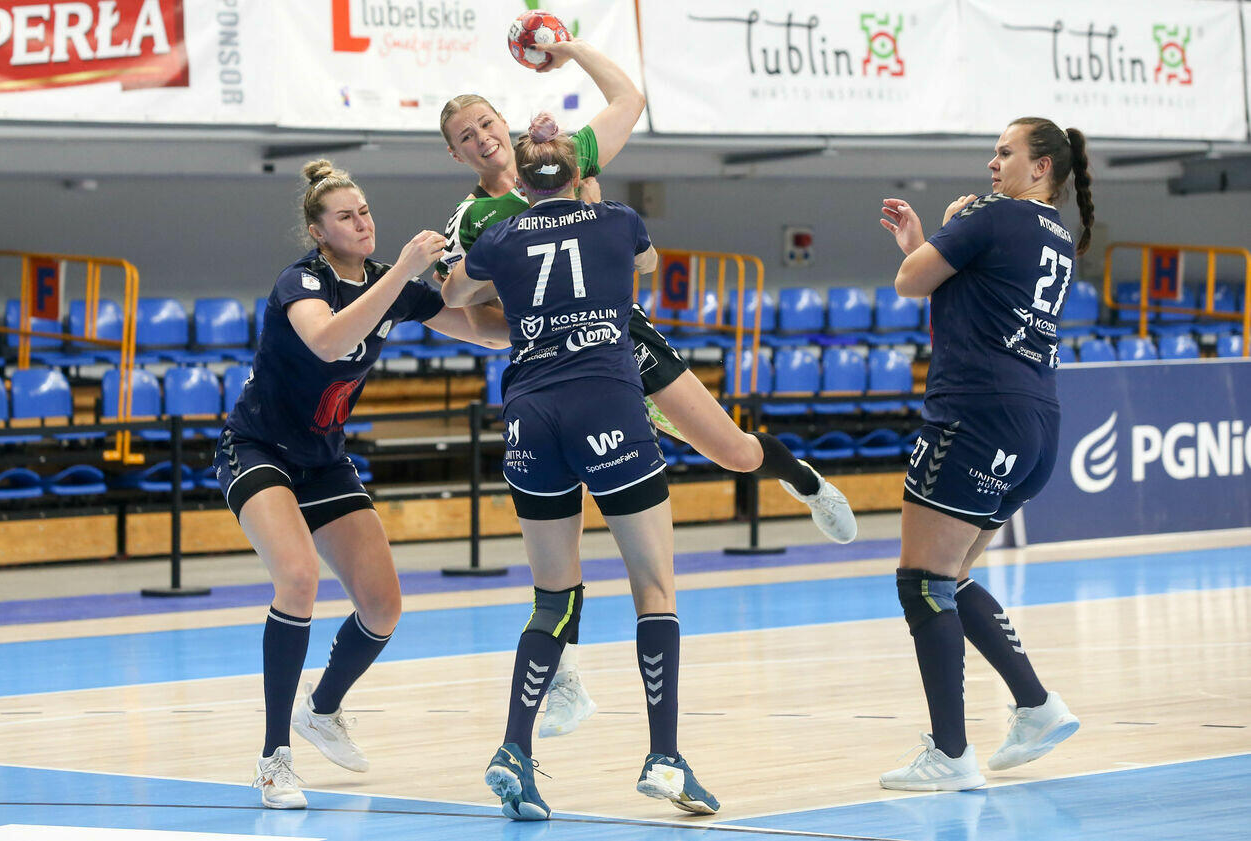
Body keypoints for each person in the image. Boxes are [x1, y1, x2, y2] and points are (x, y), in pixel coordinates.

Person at [437, 36, 857, 741]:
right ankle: (565, 678)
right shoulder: (473, 223)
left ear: (503, 124)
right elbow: (464, 312)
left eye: (484, 123)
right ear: (456, 156)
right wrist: (522, 334)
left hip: (623, 339)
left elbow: (629, 98)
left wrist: (569, 48)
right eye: (464, 137)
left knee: (734, 452)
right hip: (554, 367)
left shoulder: (563, 156)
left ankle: (805, 480)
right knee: (560, 537)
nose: (481, 139)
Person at [442, 113, 719, 821]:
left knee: (553, 597)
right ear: (578, 173)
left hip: (531, 412)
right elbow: (646, 266)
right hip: (605, 401)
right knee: (653, 587)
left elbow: (455, 297)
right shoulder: (617, 220)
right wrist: (589, 201)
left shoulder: (500, 235)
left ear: (524, 181)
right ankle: (664, 757)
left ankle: (514, 747)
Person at [218, 160, 509, 809]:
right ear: (319, 232)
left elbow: (483, 330)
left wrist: (547, 309)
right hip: (258, 447)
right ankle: (273, 759)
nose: (362, 222)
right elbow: (327, 340)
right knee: (297, 578)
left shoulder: (390, 283)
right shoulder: (302, 281)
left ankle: (321, 709)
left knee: (382, 606)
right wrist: (403, 272)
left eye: (366, 211)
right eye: (346, 217)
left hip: (324, 458)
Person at [875, 117, 1092, 790]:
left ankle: (951, 754)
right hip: (1036, 422)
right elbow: (963, 293)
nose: (992, 163)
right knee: (953, 576)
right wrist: (929, 241)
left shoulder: (992, 215)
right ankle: (1036, 706)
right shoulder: (1057, 235)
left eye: (1005, 152)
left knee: (922, 580)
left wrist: (939, 233)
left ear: (1041, 167)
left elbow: (909, 282)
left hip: (973, 415)